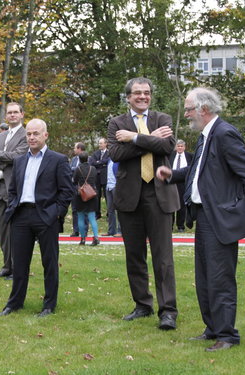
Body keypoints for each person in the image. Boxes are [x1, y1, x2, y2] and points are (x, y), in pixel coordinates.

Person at [156, 87, 245, 352]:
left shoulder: (224, 133)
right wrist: (171, 175)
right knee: (206, 277)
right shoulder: (206, 136)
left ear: (203, 110)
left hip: (220, 218)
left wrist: (236, 209)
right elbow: (198, 170)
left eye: (188, 109)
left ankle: (227, 335)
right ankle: (213, 329)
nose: (186, 115)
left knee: (220, 278)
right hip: (204, 216)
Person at [107, 77, 179, 330]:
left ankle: (168, 310)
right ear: (128, 97)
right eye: (137, 93)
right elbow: (116, 154)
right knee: (134, 255)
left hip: (159, 194)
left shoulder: (163, 119)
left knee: (163, 257)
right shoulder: (116, 123)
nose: (142, 97)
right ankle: (142, 305)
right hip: (130, 197)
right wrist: (149, 139)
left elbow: (167, 146)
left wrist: (134, 138)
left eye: (146, 93)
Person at [0, 119, 74, 317]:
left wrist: (56, 214)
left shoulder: (58, 159)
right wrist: (13, 208)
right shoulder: (20, 160)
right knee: (19, 263)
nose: (31, 137)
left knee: (50, 263)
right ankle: (14, 304)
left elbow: (67, 191)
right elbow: (12, 189)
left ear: (45, 135)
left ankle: (48, 305)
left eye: (36, 133)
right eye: (28, 134)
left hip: (46, 216)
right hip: (21, 216)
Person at [0, 102, 29, 279]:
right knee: (2, 229)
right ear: (6, 117)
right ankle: (6, 266)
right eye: (9, 113)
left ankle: (18, 267)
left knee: (17, 229)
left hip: (16, 187)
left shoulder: (26, 134)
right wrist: (4, 159)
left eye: (15, 112)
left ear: (21, 114)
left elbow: (19, 156)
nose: (12, 115)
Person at [73, 152, 99, 246]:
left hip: (81, 195)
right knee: (92, 217)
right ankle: (96, 237)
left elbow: (74, 181)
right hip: (92, 194)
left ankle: (83, 239)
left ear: (79, 159)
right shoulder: (93, 168)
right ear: (88, 159)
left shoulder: (77, 169)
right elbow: (95, 179)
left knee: (80, 217)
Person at [169, 140, 193, 232]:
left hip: (183, 183)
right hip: (172, 181)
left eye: (181, 146)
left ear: (184, 147)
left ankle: (180, 226)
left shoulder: (190, 156)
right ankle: (169, 226)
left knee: (182, 205)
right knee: (171, 204)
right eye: (178, 146)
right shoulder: (170, 155)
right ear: (176, 147)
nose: (179, 148)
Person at [69, 142, 85, 237]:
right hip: (74, 187)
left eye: (75, 148)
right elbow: (69, 169)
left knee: (83, 210)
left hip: (83, 187)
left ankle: (84, 230)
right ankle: (76, 230)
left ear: (79, 148)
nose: (74, 150)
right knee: (74, 209)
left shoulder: (87, 158)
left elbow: (84, 169)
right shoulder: (74, 159)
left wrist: (74, 169)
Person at [91, 138, 110, 219]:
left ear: (106, 144)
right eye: (99, 143)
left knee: (107, 196)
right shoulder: (96, 153)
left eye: (101, 143)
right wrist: (102, 163)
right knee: (97, 196)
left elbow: (108, 161)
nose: (100, 145)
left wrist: (99, 162)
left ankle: (109, 214)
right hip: (97, 177)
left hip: (105, 177)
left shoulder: (109, 153)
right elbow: (92, 162)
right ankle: (97, 214)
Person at [103, 159, 122, 237]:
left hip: (116, 186)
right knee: (110, 210)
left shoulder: (118, 160)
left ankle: (120, 230)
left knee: (119, 210)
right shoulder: (109, 161)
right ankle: (111, 230)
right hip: (109, 187)